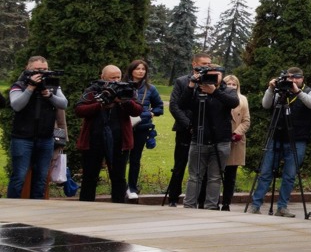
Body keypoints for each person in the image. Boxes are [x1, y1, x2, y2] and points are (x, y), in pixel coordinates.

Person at [249, 67, 311, 216]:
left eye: (297, 78)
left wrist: (297, 92)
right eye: (290, 78)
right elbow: (266, 105)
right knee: (266, 172)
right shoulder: (280, 91)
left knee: (289, 175)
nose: (293, 81)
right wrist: (270, 89)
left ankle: (282, 206)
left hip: (297, 139)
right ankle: (256, 205)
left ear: (302, 79)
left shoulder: (309, 92)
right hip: (276, 137)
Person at [74, 65, 143, 202]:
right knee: (89, 176)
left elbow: (138, 110)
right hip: (94, 139)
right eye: (112, 78)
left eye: (118, 77)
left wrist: (123, 101)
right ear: (103, 77)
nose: (116, 81)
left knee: (118, 177)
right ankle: (85, 208)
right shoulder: (93, 90)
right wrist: (100, 105)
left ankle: (118, 207)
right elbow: (79, 109)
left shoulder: (126, 89)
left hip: (119, 140)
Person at [175, 63, 239, 210]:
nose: (212, 77)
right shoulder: (197, 90)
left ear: (221, 75)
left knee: (215, 177)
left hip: (221, 141)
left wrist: (214, 92)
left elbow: (234, 103)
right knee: (194, 176)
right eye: (209, 74)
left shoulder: (228, 91)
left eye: (215, 75)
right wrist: (191, 85)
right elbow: (182, 104)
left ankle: (211, 207)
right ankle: (189, 205)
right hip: (199, 140)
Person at [7, 56, 67, 200]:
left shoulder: (52, 85)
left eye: (45, 69)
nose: (42, 73)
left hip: (45, 138)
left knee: (41, 177)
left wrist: (49, 95)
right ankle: (11, 209)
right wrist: (30, 88)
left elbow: (63, 104)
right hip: (22, 138)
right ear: (28, 69)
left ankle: (36, 207)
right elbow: (16, 105)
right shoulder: (20, 84)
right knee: (19, 176)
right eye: (38, 70)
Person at [166, 53, 215, 205]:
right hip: (185, 129)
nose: (207, 66)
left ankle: (201, 200)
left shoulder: (212, 82)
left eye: (209, 64)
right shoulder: (182, 81)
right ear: (194, 64)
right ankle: (173, 198)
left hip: (206, 130)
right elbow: (174, 106)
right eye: (203, 63)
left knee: (204, 167)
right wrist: (189, 125)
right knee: (179, 165)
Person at [124, 59, 163, 200]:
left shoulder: (150, 89)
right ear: (131, 70)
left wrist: (149, 114)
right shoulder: (123, 86)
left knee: (135, 159)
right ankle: (121, 186)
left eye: (143, 69)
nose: (141, 71)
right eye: (137, 68)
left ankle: (132, 187)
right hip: (124, 126)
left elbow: (159, 107)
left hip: (141, 127)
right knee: (121, 159)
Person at [219, 74, 251, 210]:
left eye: (234, 84)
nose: (231, 87)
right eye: (228, 84)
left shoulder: (243, 100)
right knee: (215, 174)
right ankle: (212, 201)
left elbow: (246, 120)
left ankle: (226, 203)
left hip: (235, 141)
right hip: (220, 139)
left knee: (230, 176)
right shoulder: (219, 97)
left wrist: (237, 133)